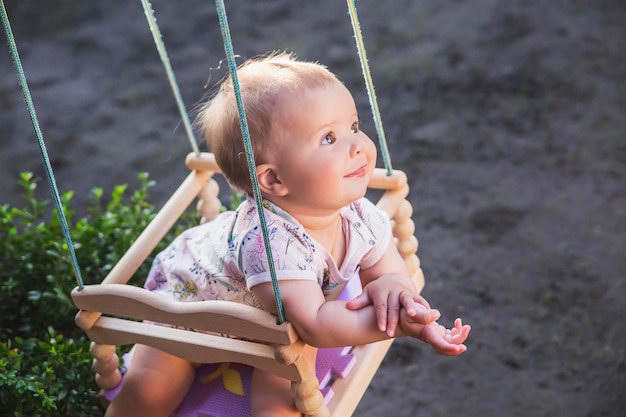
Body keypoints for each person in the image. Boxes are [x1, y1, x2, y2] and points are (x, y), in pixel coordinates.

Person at [105, 52, 470, 417]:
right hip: (190, 309)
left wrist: (397, 294)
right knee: (151, 394)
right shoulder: (271, 246)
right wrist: (396, 326)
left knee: (280, 399)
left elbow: (387, 270)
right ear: (274, 180)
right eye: (329, 138)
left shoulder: (359, 214)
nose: (358, 145)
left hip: (272, 319)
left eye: (354, 127)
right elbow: (316, 325)